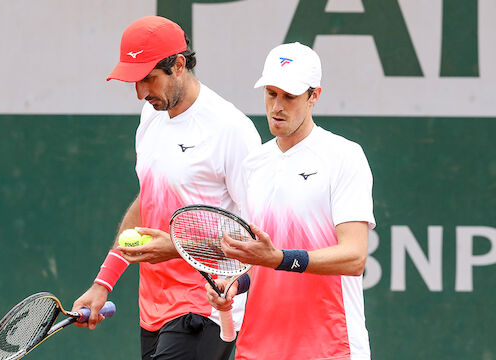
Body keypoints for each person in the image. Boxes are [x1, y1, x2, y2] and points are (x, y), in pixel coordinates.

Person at [71, 16, 262, 360]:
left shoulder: (231, 130)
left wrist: (176, 247)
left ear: (178, 65)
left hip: (206, 306)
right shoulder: (151, 118)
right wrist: (104, 282)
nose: (141, 93)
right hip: (154, 310)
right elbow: (148, 200)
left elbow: (257, 239)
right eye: (134, 81)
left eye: (148, 79)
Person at [206, 42, 375, 359]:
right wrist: (235, 284)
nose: (277, 107)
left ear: (314, 96)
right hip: (258, 348)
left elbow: (354, 257)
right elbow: (258, 261)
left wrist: (280, 259)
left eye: (290, 96)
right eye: (271, 94)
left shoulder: (344, 157)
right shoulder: (254, 165)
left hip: (329, 347)